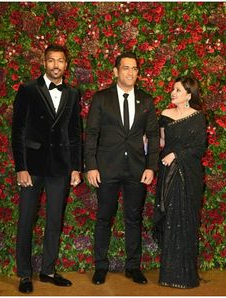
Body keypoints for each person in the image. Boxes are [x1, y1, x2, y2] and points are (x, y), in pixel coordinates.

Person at [11, 44, 82, 294]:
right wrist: (21, 167)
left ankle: (48, 270)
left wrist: (76, 168)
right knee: (26, 220)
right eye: (51, 60)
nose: (55, 65)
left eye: (60, 61)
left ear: (66, 64)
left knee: (54, 220)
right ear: (44, 62)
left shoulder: (73, 93)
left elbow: (74, 133)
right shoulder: (28, 89)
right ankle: (24, 274)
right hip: (32, 167)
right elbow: (17, 131)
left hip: (60, 167)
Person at [85, 52, 159, 285]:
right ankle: (100, 266)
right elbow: (92, 134)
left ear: (138, 72)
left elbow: (154, 135)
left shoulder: (146, 100)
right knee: (104, 217)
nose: (130, 72)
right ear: (116, 71)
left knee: (133, 218)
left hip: (136, 169)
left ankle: (133, 266)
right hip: (106, 168)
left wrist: (151, 166)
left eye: (135, 68)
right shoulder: (101, 98)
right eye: (126, 68)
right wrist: (91, 166)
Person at [153, 76, 207, 288]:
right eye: (173, 89)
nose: (172, 93)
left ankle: (186, 277)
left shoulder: (198, 117)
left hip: (188, 177)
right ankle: (168, 275)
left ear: (188, 94)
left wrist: (176, 154)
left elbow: (199, 147)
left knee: (186, 220)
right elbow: (162, 142)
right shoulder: (165, 115)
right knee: (169, 218)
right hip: (168, 175)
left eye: (177, 90)